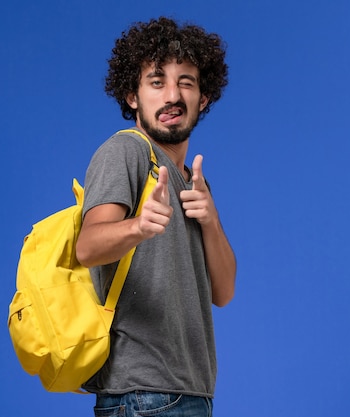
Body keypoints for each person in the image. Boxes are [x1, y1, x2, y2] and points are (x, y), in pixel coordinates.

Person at [75, 17, 236, 417]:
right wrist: (138, 226)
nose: (173, 95)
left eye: (186, 82)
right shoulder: (125, 153)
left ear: (204, 97)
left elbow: (224, 292)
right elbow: (87, 246)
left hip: (188, 391)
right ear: (132, 95)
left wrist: (211, 219)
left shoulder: (193, 180)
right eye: (157, 81)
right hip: (143, 394)